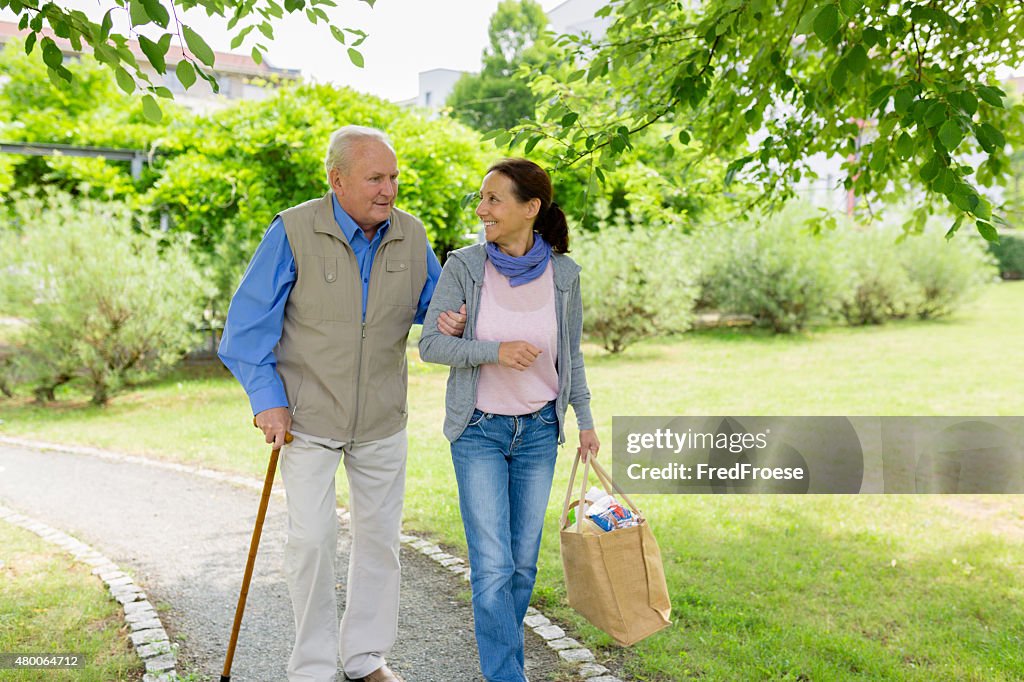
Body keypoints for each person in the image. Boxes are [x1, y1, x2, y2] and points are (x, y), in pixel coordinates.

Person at [218, 125, 465, 682]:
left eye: (394, 177)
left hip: (381, 418)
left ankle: (365, 658)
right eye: (375, 177)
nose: (388, 189)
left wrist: (449, 317)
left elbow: (435, 306)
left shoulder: (411, 234)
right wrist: (268, 402)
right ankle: (310, 667)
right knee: (311, 540)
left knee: (380, 541)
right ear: (337, 180)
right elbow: (245, 331)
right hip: (307, 417)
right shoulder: (293, 231)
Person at [418, 158, 600, 682]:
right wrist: (492, 351)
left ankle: (505, 665)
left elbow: (573, 355)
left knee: (522, 567)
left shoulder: (564, 276)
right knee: (493, 567)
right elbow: (430, 345)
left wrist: (584, 420)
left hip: (540, 431)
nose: (482, 210)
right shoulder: (465, 267)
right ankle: (506, 675)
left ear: (530, 208)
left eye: (494, 200)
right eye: (482, 198)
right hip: (478, 431)